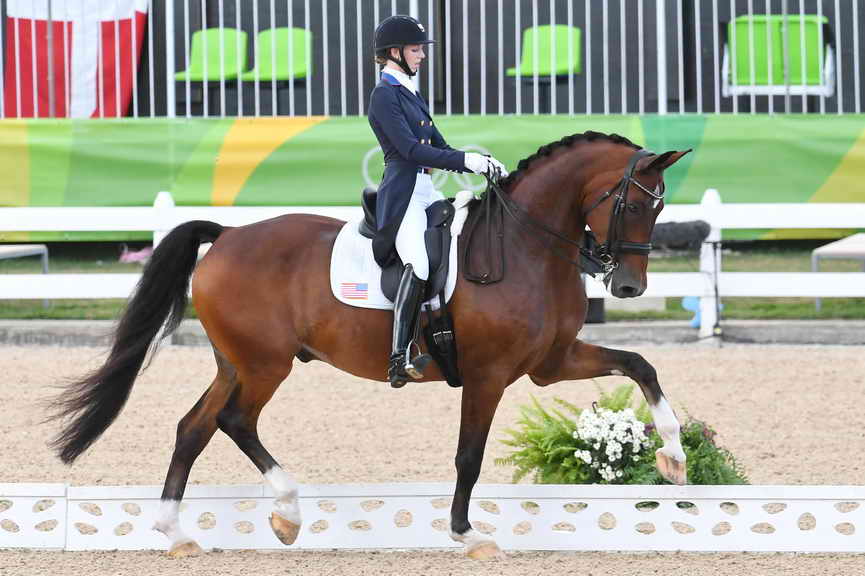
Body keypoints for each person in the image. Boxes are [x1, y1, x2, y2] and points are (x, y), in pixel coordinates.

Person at [368, 15, 508, 388]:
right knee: (418, 262)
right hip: (403, 194)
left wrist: (483, 162)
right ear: (394, 52)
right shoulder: (384, 94)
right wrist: (467, 161)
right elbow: (410, 150)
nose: (422, 56)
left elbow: (439, 146)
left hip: (426, 190)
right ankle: (398, 357)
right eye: (416, 49)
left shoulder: (410, 91)